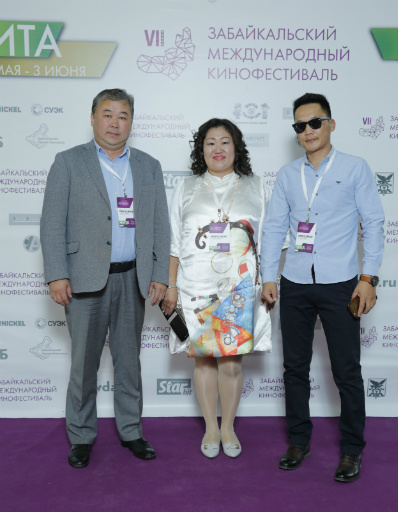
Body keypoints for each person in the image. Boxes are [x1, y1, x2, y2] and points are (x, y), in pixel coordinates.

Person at [40, 88, 170, 468]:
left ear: (132, 122)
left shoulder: (148, 166)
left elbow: (160, 225)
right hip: (84, 279)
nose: (115, 123)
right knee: (84, 365)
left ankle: (131, 431)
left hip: (133, 278)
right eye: (108, 114)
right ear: (93, 118)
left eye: (123, 115)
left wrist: (160, 273)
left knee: (130, 362)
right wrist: (57, 274)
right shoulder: (67, 162)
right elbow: (52, 223)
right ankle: (81, 436)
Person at [260, 93, 385, 482]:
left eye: (315, 122)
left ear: (330, 124)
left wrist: (368, 278)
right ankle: (299, 441)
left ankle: (352, 450)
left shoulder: (355, 167)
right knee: (294, 368)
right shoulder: (287, 175)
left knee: (346, 371)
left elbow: (374, 223)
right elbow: (274, 228)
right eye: (300, 125)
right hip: (295, 282)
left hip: (341, 283)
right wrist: (268, 275)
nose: (308, 131)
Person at [162, 118, 273, 459]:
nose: (218, 149)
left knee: (232, 364)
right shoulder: (186, 187)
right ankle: (211, 426)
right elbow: (173, 242)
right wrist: (170, 286)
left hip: (240, 287)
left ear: (236, 148)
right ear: (201, 149)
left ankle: (228, 427)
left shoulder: (256, 185)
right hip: (195, 286)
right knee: (204, 363)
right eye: (210, 142)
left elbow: (269, 240)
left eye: (225, 142)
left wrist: (269, 280)